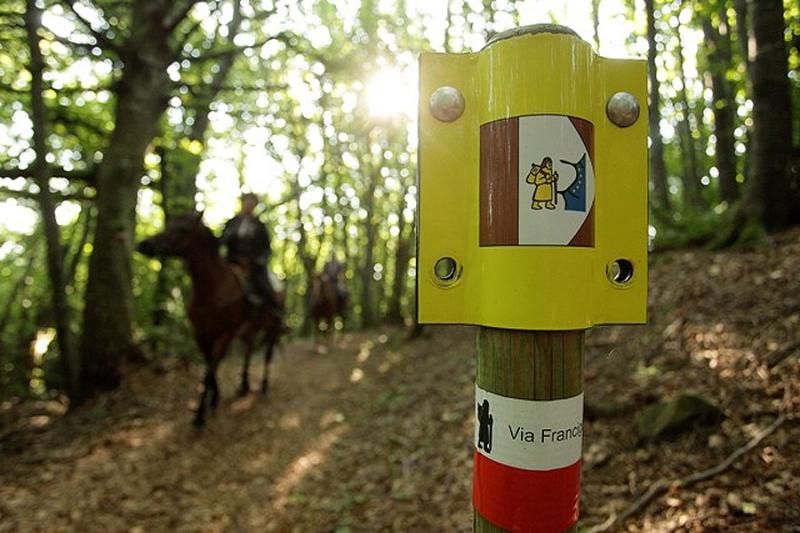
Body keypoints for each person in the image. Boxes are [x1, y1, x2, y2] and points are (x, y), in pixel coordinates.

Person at [219, 193, 279, 313]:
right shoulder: (232, 223)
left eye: (252, 203)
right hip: (231, 262)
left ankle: (275, 315)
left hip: (253, 266)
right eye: (246, 202)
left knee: (266, 288)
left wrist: (260, 262)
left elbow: (267, 249)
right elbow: (220, 242)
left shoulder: (260, 226)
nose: (248, 205)